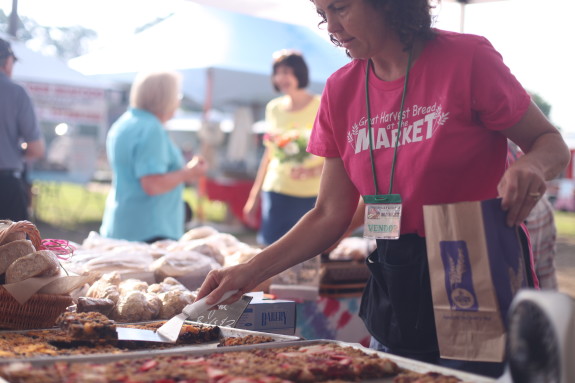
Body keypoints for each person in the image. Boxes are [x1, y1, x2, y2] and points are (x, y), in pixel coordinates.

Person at [196, 0, 570, 378]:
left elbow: (549, 142)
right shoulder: (340, 90)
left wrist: (531, 166)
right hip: (392, 271)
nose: (331, 28)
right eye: (323, 14)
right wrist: (248, 271)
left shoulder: (466, 58)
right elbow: (329, 214)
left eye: (340, 8)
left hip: (471, 267)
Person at [100, 70, 207, 243]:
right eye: (177, 94)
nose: (178, 101)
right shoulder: (151, 128)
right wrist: (188, 173)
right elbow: (152, 185)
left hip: (121, 224)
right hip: (149, 230)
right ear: (166, 98)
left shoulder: (124, 123)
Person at [243, 50, 323, 246]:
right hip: (276, 189)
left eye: (287, 71)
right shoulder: (274, 108)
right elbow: (269, 154)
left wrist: (313, 170)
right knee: (270, 249)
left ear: (299, 73)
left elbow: (337, 151)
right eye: (277, 72)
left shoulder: (321, 105)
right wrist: (253, 197)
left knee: (307, 251)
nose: (282, 77)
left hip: (311, 193)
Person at [0, 38, 45, 221]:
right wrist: (14, 151)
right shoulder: (16, 92)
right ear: (8, 61)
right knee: (14, 248)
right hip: (5, 186)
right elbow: (37, 149)